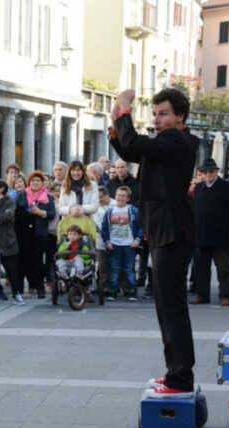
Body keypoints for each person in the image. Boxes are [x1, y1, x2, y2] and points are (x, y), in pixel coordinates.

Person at [110, 87, 198, 397]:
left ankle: (180, 378)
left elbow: (134, 142)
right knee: (167, 305)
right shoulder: (167, 143)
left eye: (164, 114)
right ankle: (176, 372)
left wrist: (122, 111)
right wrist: (115, 126)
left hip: (172, 232)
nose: (158, 120)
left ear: (180, 117)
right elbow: (131, 151)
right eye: (155, 114)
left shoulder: (176, 141)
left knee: (171, 307)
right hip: (166, 230)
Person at [190, 159, 229, 306]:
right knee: (201, 268)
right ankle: (202, 295)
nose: (208, 174)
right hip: (201, 236)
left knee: (223, 269)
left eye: (211, 171)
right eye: (205, 172)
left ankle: (225, 295)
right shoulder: (198, 188)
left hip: (220, 236)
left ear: (217, 171)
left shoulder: (227, 187)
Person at [16, 170, 56, 298]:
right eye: (33, 180)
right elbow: (16, 212)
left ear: (42, 183)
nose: (35, 182)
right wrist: (27, 212)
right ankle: (20, 289)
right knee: (23, 261)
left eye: (38, 180)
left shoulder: (47, 196)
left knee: (38, 261)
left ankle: (39, 288)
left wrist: (40, 212)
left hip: (40, 233)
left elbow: (52, 213)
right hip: (24, 233)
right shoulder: (22, 195)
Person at [101, 186, 143, 302]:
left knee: (129, 269)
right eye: (118, 195)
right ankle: (113, 291)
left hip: (129, 245)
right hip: (114, 244)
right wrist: (107, 241)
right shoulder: (109, 212)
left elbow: (141, 227)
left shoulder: (133, 211)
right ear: (115, 196)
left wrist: (138, 239)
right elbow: (104, 229)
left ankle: (132, 292)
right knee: (114, 269)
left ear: (128, 198)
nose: (120, 197)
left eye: (123, 196)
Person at [93, 186, 115, 299]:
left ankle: (116, 287)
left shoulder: (115, 204)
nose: (99, 200)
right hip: (100, 240)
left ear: (107, 195)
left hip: (116, 239)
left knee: (115, 264)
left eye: (101, 197)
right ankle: (104, 287)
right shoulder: (95, 207)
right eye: (97, 197)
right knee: (102, 265)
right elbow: (95, 224)